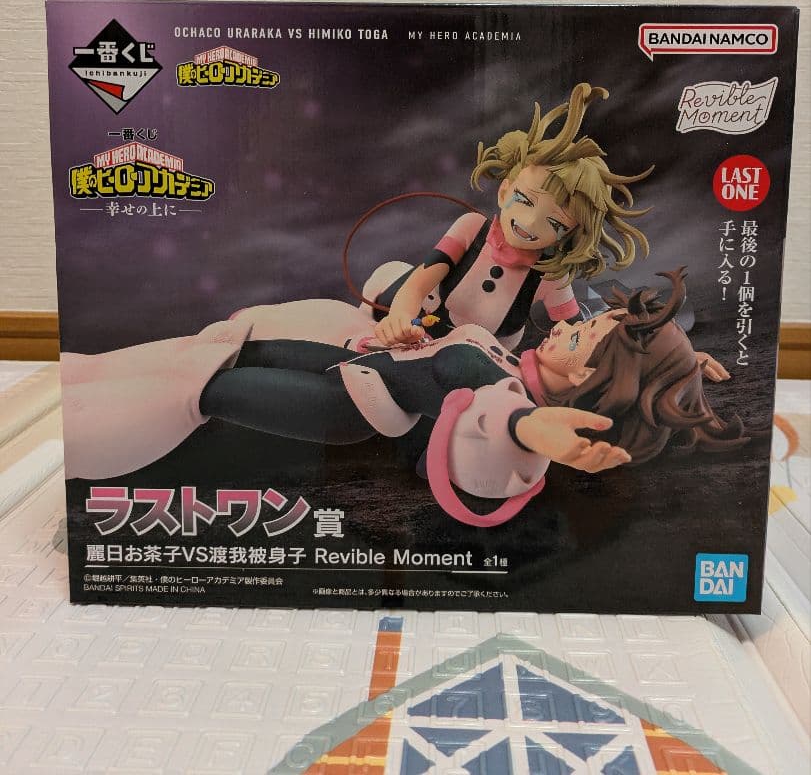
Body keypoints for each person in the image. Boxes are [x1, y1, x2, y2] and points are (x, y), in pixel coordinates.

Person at [61, 270, 741, 527]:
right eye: (584, 320)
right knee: (219, 352)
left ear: (591, 378)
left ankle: (89, 421)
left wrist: (530, 429)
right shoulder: (505, 352)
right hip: (347, 362)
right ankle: (87, 382)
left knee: (205, 389)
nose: (569, 325)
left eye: (584, 335)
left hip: (343, 408)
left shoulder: (500, 388)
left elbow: (479, 406)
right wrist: (682, 364)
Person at [369, 83, 653, 351]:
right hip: (415, 323)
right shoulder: (471, 228)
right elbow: (417, 284)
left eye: (555, 222)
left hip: (477, 356)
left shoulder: (551, 275)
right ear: (505, 191)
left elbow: (574, 334)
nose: (529, 223)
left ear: (569, 232)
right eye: (524, 200)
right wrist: (400, 318)